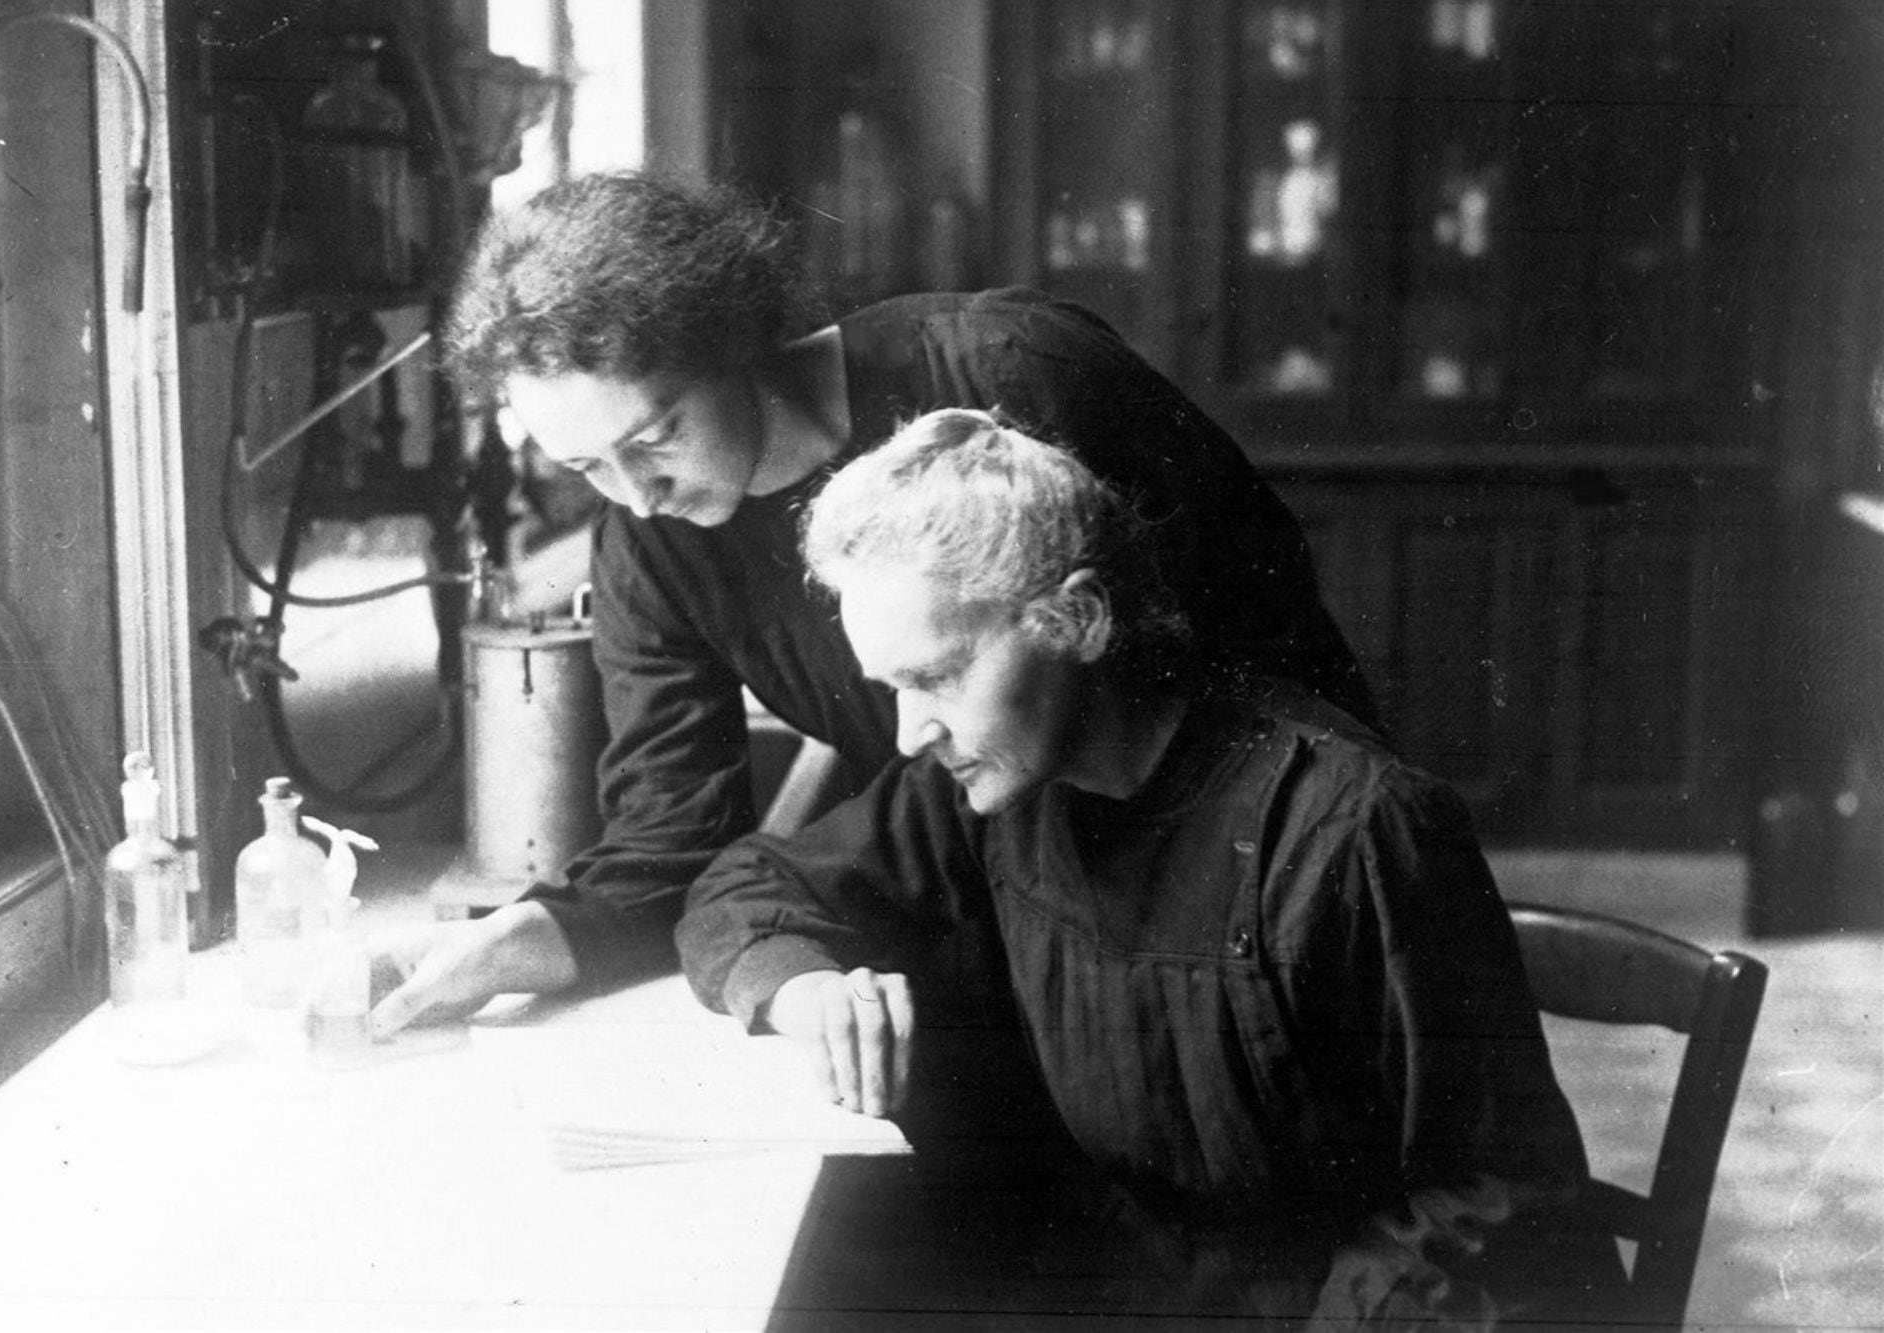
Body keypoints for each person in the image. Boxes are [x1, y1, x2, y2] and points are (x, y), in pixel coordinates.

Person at [674, 409, 1628, 1326]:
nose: (910, 731)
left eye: (934, 677)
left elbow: (1489, 1208)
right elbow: (745, 886)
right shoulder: (985, 785)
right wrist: (800, 987)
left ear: (1078, 619)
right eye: (892, 689)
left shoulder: (1353, 831)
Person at [368, 170, 1374, 1035]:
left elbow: (1265, 622)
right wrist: (513, 942)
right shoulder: (650, 549)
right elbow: (670, 842)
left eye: (654, 435)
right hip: (1012, 907)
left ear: (729, 336)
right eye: (586, 465)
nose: (637, 493)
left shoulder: (1014, 368)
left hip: (1253, 865)